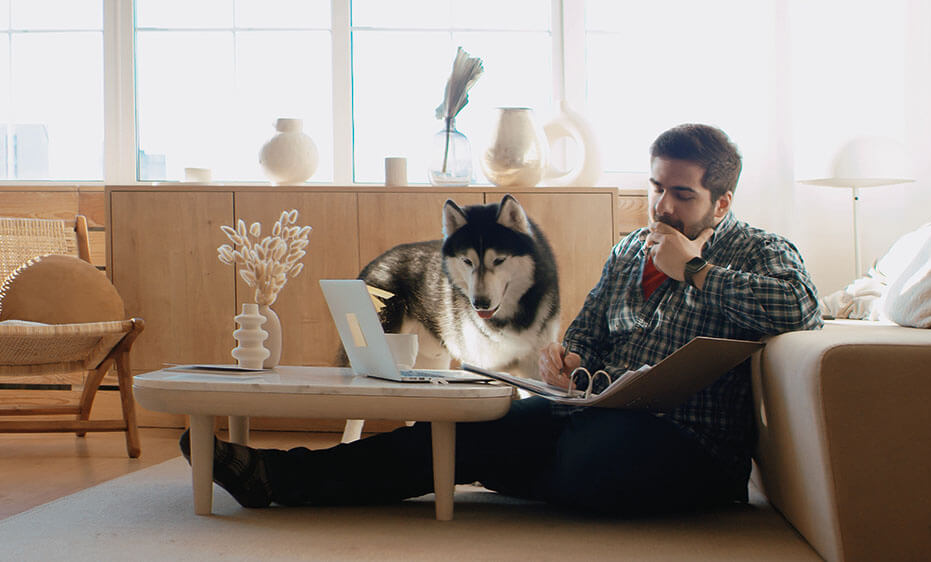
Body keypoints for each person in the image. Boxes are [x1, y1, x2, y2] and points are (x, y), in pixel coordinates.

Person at [179, 123, 823, 514]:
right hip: (599, 414)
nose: (663, 205)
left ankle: (530, 463)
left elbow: (800, 306)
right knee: (460, 429)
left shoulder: (758, 250)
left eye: (682, 194)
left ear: (722, 200)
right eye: (657, 187)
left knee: (577, 458)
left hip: (691, 445)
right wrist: (566, 361)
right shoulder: (630, 249)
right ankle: (277, 476)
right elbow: (589, 332)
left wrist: (695, 269)